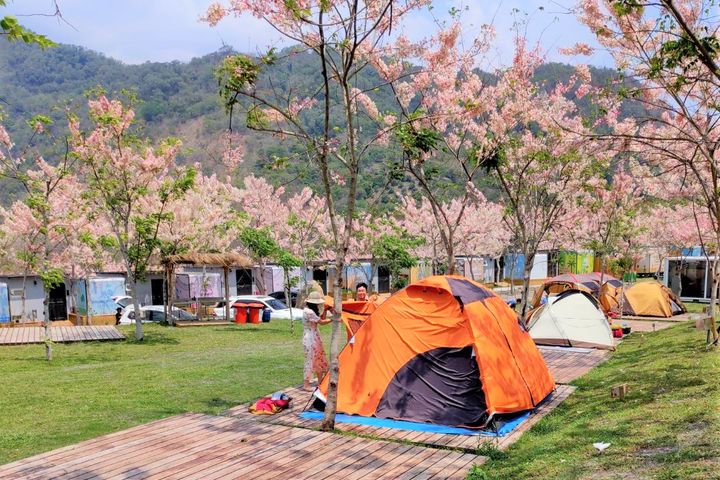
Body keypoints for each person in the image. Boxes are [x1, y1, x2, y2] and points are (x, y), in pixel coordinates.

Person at [302, 291, 331, 391]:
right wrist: (333, 319)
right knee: (310, 360)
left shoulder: (310, 310)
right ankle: (306, 384)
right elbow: (321, 322)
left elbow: (320, 318)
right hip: (310, 337)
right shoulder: (308, 312)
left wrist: (326, 310)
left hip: (314, 336)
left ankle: (320, 382)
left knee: (319, 357)